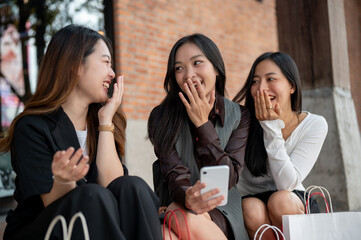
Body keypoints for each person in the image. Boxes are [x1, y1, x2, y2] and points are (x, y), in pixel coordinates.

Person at [0, 25, 162, 240]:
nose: (112, 74)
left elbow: (114, 187)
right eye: (105, 62)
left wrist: (105, 122)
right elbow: (51, 205)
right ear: (76, 65)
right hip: (44, 229)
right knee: (92, 196)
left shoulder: (100, 123)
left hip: (94, 223)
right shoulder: (32, 127)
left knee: (133, 186)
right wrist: (63, 180)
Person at [148, 33, 250, 240]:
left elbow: (228, 177)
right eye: (179, 68)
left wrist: (202, 124)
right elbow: (173, 172)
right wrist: (187, 197)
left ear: (216, 68)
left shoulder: (240, 115)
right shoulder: (161, 116)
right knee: (166, 229)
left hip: (222, 211)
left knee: (176, 218)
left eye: (197, 63)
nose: (188, 75)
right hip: (177, 203)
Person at [233, 52, 328, 239]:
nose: (262, 88)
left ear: (292, 86)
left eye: (271, 79)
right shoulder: (242, 122)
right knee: (250, 207)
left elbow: (287, 184)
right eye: (255, 81)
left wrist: (270, 127)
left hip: (291, 201)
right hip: (252, 204)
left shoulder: (315, 124)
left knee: (280, 201)